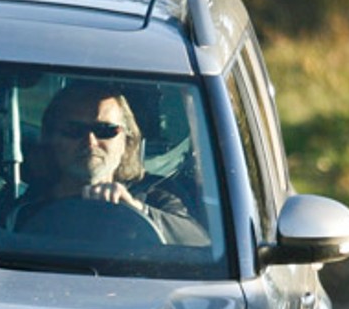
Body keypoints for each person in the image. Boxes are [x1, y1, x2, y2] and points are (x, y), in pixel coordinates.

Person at [11, 82, 206, 246]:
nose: (90, 142)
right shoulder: (22, 211)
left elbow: (200, 243)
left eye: (105, 130)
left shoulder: (157, 197)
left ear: (127, 141)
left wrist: (137, 210)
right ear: (50, 139)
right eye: (73, 129)